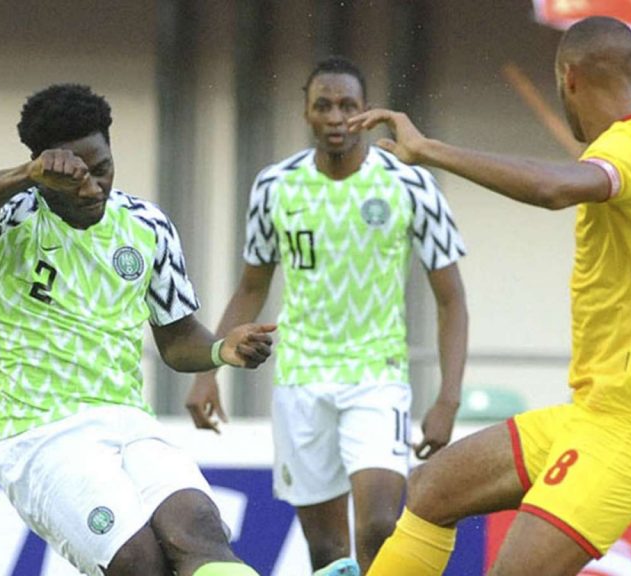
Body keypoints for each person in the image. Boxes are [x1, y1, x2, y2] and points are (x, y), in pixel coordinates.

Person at [351, 16, 631, 576]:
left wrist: (428, 149)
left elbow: (552, 188)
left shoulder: (627, 149)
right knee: (433, 489)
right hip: (596, 412)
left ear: (568, 79)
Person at [0, 83, 276, 576]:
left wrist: (221, 349)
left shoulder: (147, 226)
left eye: (102, 169)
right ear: (44, 169)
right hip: (39, 433)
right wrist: (27, 175)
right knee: (139, 562)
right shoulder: (11, 217)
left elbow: (177, 339)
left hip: (130, 424)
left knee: (201, 533)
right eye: (76, 178)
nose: (93, 188)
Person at [186, 57, 469, 576]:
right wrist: (208, 371)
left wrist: (448, 397)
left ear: (367, 112)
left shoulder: (410, 184)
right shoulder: (274, 186)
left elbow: (451, 298)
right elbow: (252, 286)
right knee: (327, 553)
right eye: (324, 106)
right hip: (300, 379)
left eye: (347, 106)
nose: (336, 117)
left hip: (377, 375)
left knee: (380, 526)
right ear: (306, 112)